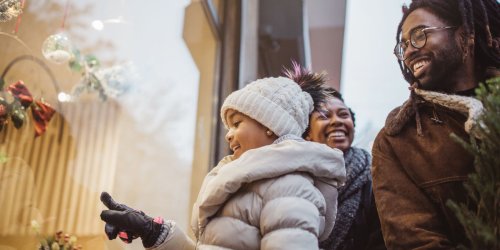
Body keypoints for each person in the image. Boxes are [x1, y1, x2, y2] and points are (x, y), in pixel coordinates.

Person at [99, 76, 347, 249]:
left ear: (271, 126)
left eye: (237, 123)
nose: (229, 134)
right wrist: (153, 231)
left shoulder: (289, 187)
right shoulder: (244, 183)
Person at [371, 0, 499, 248]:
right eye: (404, 44)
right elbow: (414, 242)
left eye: (420, 35)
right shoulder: (397, 141)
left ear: (465, 34)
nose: (408, 51)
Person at [284, 65, 386, 250]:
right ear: (307, 133)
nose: (336, 121)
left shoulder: (376, 178)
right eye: (324, 116)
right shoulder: (291, 177)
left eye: (343, 114)